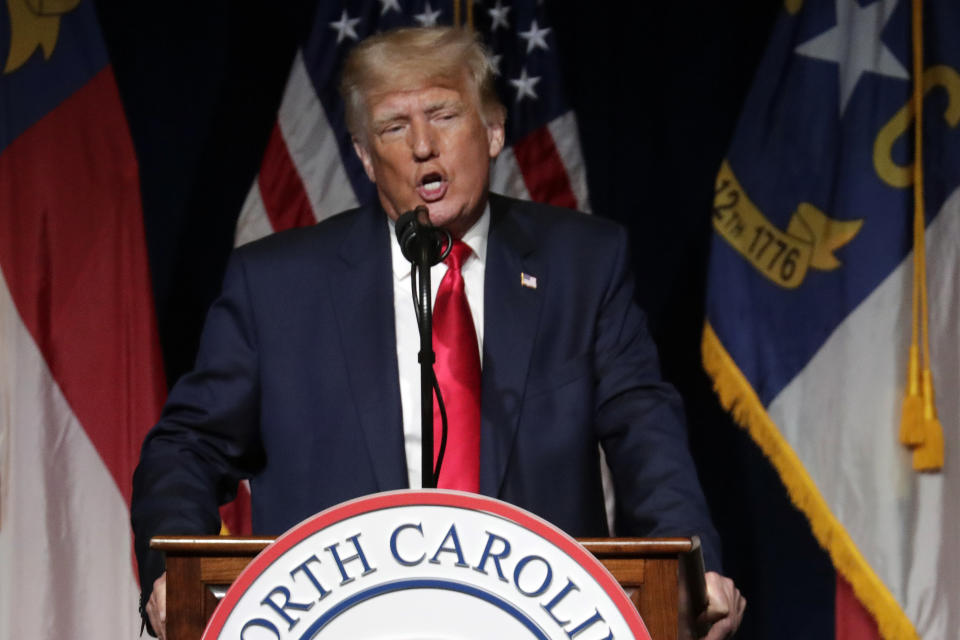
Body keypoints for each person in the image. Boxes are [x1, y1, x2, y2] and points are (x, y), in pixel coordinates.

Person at [131, 26, 745, 639]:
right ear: (366, 157)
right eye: (394, 127)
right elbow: (186, 447)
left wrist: (696, 569)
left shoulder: (582, 266)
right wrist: (170, 576)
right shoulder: (277, 287)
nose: (423, 145)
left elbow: (644, 432)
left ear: (495, 130)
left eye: (444, 115)